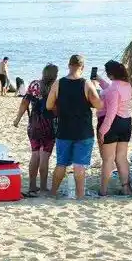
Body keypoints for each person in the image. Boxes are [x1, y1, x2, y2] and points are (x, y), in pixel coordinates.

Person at [47, 55, 103, 199]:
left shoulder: (58, 83)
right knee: (79, 165)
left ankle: (53, 193)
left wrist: (60, 107)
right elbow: (99, 105)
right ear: (82, 67)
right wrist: (95, 88)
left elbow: (48, 105)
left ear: (69, 65)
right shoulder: (87, 84)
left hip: (64, 129)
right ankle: (80, 196)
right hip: (83, 130)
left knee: (61, 164)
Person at [13, 63, 58, 195]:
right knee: (45, 156)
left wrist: (17, 119)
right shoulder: (56, 86)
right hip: (49, 124)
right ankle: (43, 186)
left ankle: (32, 186)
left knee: (35, 153)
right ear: (54, 75)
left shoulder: (34, 85)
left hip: (34, 123)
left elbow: (24, 102)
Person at [95, 60, 132, 196]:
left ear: (110, 73)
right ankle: (126, 188)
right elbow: (111, 89)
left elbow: (111, 113)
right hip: (126, 122)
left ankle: (103, 190)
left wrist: (102, 131)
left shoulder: (113, 89)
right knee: (121, 157)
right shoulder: (127, 85)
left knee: (108, 159)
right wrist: (101, 81)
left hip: (113, 123)